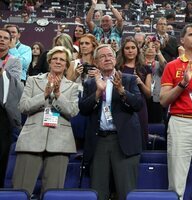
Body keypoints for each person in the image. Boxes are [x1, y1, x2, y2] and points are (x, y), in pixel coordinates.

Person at [12, 46, 79, 197]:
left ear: (67, 65)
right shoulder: (33, 80)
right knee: (21, 191)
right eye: (55, 58)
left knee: (52, 194)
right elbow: (23, 106)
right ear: (49, 61)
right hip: (31, 140)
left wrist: (58, 95)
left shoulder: (72, 87)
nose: (58, 61)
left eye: (62, 59)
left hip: (60, 143)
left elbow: (72, 111)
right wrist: (44, 94)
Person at [79, 44, 143, 200]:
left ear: (115, 59)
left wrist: (121, 91)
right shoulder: (90, 83)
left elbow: (138, 105)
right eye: (103, 56)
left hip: (124, 141)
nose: (107, 58)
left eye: (110, 55)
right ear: (95, 61)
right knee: (99, 191)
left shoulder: (128, 80)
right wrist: (98, 92)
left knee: (125, 191)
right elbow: (83, 109)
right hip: (99, 141)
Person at [160, 23, 192, 200]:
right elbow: (163, 100)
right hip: (179, 121)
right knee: (177, 179)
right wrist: (183, 84)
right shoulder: (172, 66)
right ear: (182, 40)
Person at [116, 36, 151, 149]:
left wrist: (140, 82)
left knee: (140, 138)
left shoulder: (145, 68)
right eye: (127, 48)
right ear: (123, 51)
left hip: (140, 107)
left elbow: (148, 94)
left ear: (137, 50)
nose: (130, 51)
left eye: (133, 48)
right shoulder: (117, 68)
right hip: (121, 106)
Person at [0, 28, 23, 188]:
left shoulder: (14, 61)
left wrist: (2, 73)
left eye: (5, 38)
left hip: (3, 112)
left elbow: (15, 83)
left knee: (1, 153)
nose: (1, 40)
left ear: (10, 42)